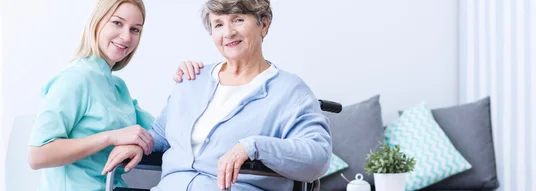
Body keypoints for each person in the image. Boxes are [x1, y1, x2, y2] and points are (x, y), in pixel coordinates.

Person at [102, 0, 333, 190]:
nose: (228, 32)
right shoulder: (193, 79)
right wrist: (142, 146)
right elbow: (162, 133)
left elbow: (318, 157)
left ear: (264, 24)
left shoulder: (290, 91)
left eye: (238, 20)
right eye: (218, 24)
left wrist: (253, 146)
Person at [27, 0, 202, 190]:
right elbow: (37, 155)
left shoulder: (117, 87)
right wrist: (110, 137)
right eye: (117, 23)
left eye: (135, 29)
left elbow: (163, 133)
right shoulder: (73, 80)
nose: (126, 37)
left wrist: (187, 85)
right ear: (98, 21)